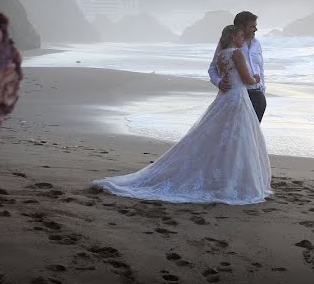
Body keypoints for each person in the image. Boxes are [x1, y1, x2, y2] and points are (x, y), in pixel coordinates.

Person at [92, 25, 272, 205]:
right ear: (233, 37)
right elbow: (247, 80)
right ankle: (233, 179)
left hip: (224, 99)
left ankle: (226, 176)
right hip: (237, 99)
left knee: (220, 138)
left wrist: (224, 81)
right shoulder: (237, 53)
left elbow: (220, 73)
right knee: (236, 139)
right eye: (241, 35)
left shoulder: (221, 55)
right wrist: (256, 78)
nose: (243, 39)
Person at [209, 11, 266, 122]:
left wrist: (263, 92)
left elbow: (261, 70)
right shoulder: (227, 45)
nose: (256, 29)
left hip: (258, 95)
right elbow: (212, 68)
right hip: (239, 96)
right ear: (241, 26)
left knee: (251, 134)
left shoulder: (257, 44)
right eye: (252, 26)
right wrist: (219, 82)